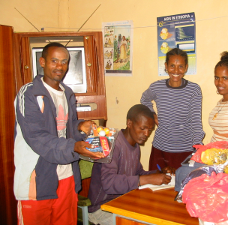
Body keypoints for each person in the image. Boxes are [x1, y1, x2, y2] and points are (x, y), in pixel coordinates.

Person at [13, 42, 104, 225]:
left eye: (64, 62)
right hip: (37, 179)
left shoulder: (67, 93)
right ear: (42, 62)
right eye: (54, 61)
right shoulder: (30, 93)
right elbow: (37, 136)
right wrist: (74, 147)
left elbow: (65, 128)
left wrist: (80, 127)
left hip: (67, 176)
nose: (60, 66)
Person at [88, 104, 175, 225]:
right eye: (143, 128)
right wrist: (148, 178)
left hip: (124, 201)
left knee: (161, 212)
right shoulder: (111, 143)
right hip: (102, 208)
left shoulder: (135, 145)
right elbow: (109, 183)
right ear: (129, 123)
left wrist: (158, 173)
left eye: (149, 130)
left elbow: (138, 174)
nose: (146, 134)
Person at [141, 48, 205, 170]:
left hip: (185, 151)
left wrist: (198, 148)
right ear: (166, 66)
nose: (176, 71)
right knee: (157, 187)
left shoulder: (194, 90)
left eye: (180, 66)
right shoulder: (157, 87)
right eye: (172, 66)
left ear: (186, 68)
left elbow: (196, 123)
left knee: (181, 187)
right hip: (160, 149)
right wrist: (152, 114)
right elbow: (144, 99)